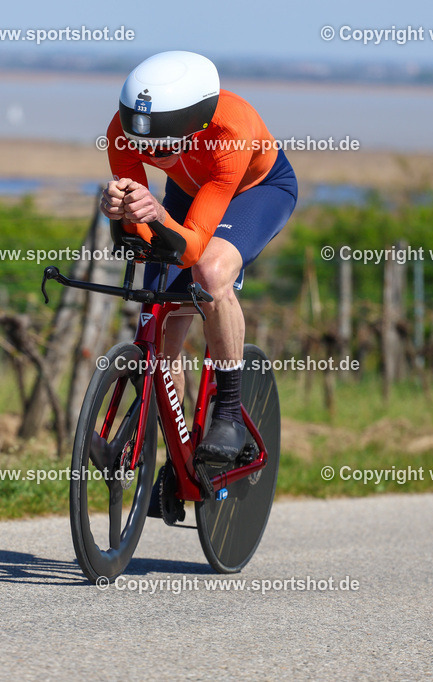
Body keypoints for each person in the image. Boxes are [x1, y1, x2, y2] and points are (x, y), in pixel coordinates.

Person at [100, 50, 297, 464]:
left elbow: (191, 249)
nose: (154, 153)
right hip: (188, 194)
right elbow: (140, 231)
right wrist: (122, 210)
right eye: (144, 145)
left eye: (166, 145)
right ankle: (181, 457)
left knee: (210, 273)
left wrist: (156, 214)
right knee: (160, 322)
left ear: (198, 124)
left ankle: (228, 413)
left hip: (253, 190)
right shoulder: (121, 129)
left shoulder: (230, 130)